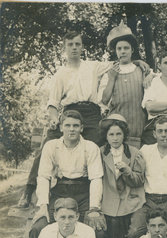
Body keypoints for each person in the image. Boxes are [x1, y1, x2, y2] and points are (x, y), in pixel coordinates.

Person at [18, 30, 149, 208]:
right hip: (70, 113)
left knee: (105, 145)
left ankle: (109, 193)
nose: (74, 48)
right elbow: (53, 103)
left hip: (92, 113)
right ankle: (28, 191)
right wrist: (55, 118)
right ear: (64, 48)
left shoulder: (93, 66)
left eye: (77, 44)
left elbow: (119, 62)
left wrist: (137, 62)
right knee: (47, 145)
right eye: (70, 45)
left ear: (82, 47)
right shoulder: (60, 74)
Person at [29, 109, 106, 238]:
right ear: (61, 127)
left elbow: (96, 179)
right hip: (60, 190)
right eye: (68, 125)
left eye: (76, 126)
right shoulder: (51, 146)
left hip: (83, 191)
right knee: (37, 228)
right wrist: (43, 205)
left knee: (98, 231)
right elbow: (43, 176)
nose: (72, 129)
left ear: (82, 128)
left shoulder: (90, 147)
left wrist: (94, 208)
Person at [100, 114, 145, 238]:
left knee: (130, 232)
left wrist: (127, 171)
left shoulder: (134, 153)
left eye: (118, 134)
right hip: (109, 200)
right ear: (106, 136)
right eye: (111, 134)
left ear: (124, 135)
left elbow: (139, 181)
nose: (115, 138)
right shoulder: (100, 152)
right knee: (109, 230)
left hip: (130, 200)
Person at [98, 21, 147, 149]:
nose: (123, 52)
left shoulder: (141, 70)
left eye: (126, 48)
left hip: (138, 128)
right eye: (119, 49)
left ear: (132, 50)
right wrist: (112, 79)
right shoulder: (109, 72)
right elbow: (104, 100)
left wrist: (149, 74)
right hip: (116, 130)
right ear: (115, 51)